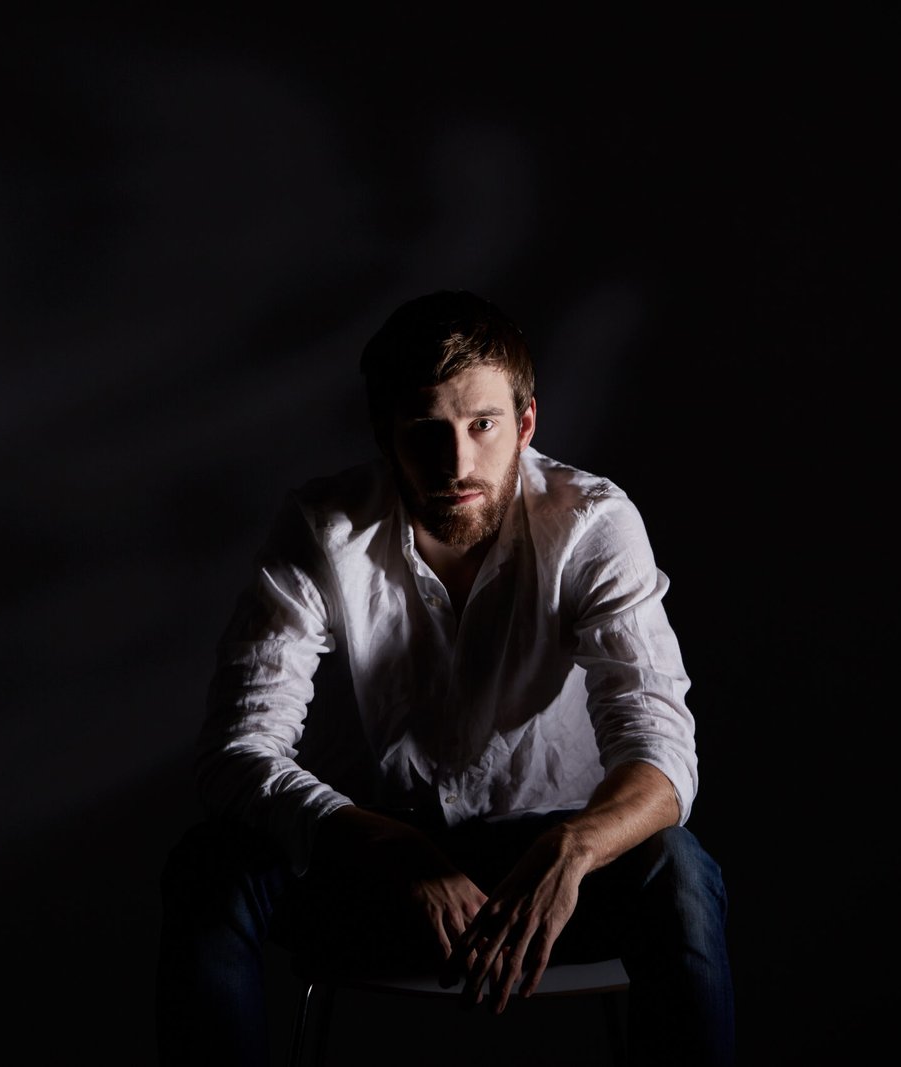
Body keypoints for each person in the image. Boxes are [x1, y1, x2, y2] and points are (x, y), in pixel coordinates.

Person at [155, 290, 734, 1066]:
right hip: (372, 866)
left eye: (483, 426)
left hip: (550, 871)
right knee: (210, 865)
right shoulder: (323, 527)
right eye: (427, 431)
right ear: (386, 435)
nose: (457, 463)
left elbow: (664, 756)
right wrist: (390, 848)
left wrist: (571, 851)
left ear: (526, 423)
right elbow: (236, 752)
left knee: (682, 875)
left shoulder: (593, 523)